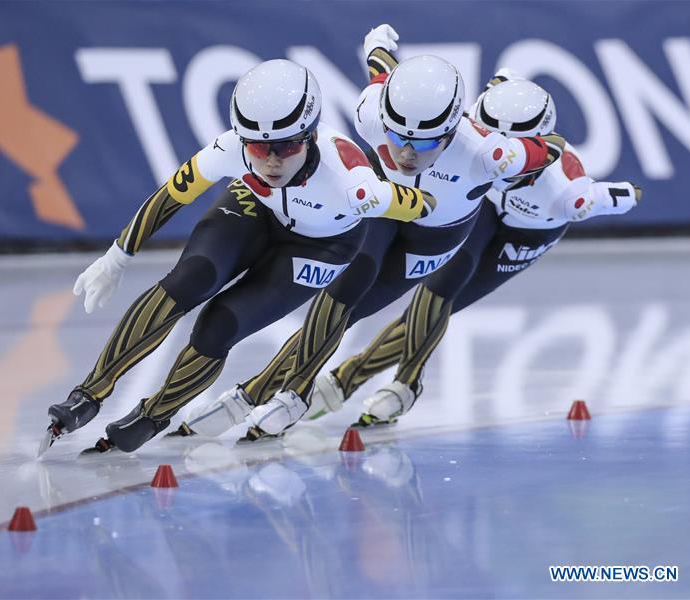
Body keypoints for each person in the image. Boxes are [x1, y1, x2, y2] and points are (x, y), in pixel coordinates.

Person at [174, 25, 566, 441]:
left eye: (427, 141)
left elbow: (554, 145)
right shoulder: (371, 110)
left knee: (364, 309)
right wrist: (377, 46)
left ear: (452, 131)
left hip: (436, 235)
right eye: (397, 136)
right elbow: (382, 73)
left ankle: (391, 383)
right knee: (339, 295)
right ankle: (283, 392)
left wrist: (536, 152)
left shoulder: (490, 153)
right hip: (385, 207)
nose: (408, 153)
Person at [39, 58, 436, 456]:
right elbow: (171, 196)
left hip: (323, 245)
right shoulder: (233, 147)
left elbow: (423, 204)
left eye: (288, 146)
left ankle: (153, 415)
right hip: (257, 208)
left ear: (312, 135)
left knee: (220, 325)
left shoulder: (352, 181)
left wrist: (412, 195)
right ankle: (88, 394)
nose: (272, 161)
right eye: (260, 148)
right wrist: (116, 257)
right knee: (190, 277)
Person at [303, 70, 642, 426]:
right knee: (438, 290)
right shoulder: (478, 125)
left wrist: (629, 194)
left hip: (526, 233)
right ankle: (382, 384)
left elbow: (617, 196)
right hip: (485, 206)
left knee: (442, 308)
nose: (500, 162)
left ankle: (355, 378)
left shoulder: (567, 194)